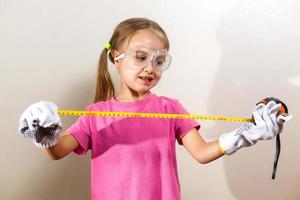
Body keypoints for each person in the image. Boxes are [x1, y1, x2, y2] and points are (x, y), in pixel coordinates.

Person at [18, 18, 292, 200]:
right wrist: (43, 132)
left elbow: (202, 152)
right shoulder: (95, 115)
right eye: (141, 57)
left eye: (159, 61)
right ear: (116, 57)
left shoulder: (170, 108)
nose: (150, 68)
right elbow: (57, 151)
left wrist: (247, 134)